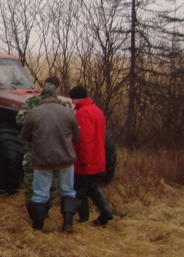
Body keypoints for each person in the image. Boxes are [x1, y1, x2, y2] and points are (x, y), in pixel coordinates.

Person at [19, 83, 80, 233]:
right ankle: (67, 225)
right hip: (65, 161)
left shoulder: (33, 113)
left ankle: (38, 228)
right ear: (55, 96)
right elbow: (76, 137)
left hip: (43, 161)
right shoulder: (68, 112)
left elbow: (25, 136)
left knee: (40, 194)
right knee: (68, 191)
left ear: (42, 96)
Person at [69, 85, 114, 226]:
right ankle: (105, 212)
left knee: (79, 190)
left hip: (87, 161)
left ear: (77, 98)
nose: (72, 102)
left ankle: (80, 218)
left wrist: (84, 160)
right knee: (92, 188)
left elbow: (85, 139)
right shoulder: (97, 110)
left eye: (73, 99)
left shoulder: (83, 113)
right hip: (98, 158)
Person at [16, 75, 61, 200]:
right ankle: (41, 207)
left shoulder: (32, 102)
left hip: (35, 149)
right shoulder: (61, 105)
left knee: (36, 185)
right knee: (47, 184)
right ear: (58, 89)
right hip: (52, 150)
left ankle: (37, 208)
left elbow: (20, 119)